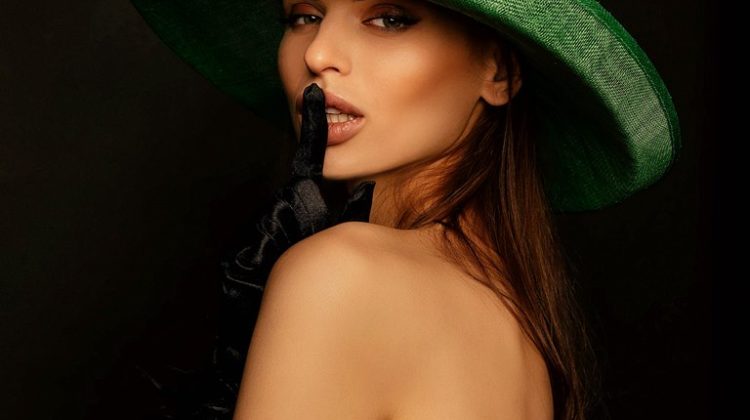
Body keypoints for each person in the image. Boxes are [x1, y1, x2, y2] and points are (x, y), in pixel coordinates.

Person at [130, 1, 681, 419]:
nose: (317, 53)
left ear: (499, 72)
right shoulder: (519, 323)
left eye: (390, 19)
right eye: (304, 16)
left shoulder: (342, 272)